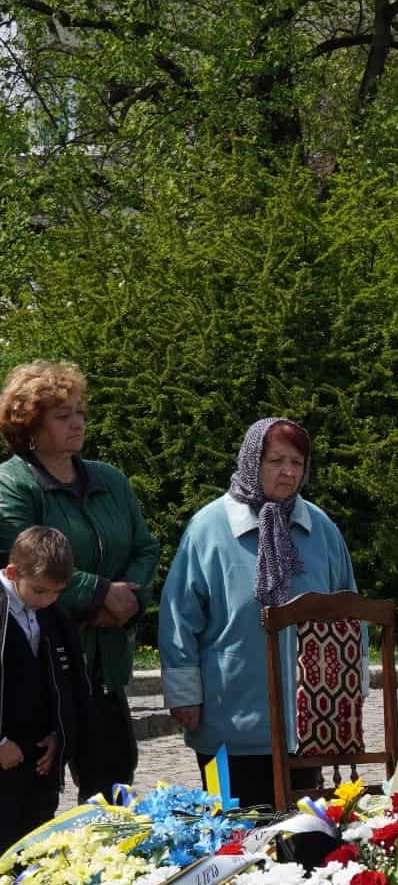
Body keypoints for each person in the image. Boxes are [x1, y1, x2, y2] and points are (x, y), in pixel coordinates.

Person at [160, 419, 360, 810]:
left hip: (307, 726)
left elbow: (349, 612)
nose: (288, 472)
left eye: (297, 463)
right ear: (253, 461)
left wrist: (350, 689)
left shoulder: (321, 530)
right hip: (228, 718)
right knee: (234, 829)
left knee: (302, 829)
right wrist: (184, 695)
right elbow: (179, 616)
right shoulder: (208, 528)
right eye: (276, 461)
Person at [0, 362, 159, 798]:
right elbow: (21, 560)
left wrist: (128, 600)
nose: (77, 422)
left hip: (105, 662)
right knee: (30, 797)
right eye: (62, 415)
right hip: (43, 665)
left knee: (113, 785)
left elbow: (145, 548)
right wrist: (100, 593)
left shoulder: (110, 480)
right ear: (30, 425)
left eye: (79, 412)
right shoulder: (11, 485)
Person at [0, 528, 85, 847]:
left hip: (37, 756)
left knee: (36, 843)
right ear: (12, 573)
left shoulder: (53, 615)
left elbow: (67, 681)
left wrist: (58, 734)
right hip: (4, 748)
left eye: (57, 592)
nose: (48, 600)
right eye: (40, 591)